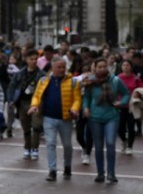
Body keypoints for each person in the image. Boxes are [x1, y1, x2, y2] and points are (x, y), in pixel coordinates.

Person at [28, 53, 81, 182]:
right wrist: (34, 106)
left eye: (64, 67)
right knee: (50, 143)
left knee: (67, 145)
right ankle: (52, 170)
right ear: (52, 68)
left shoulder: (73, 82)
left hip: (66, 119)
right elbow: (36, 95)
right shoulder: (43, 81)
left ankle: (67, 167)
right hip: (49, 118)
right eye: (59, 67)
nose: (62, 69)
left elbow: (77, 99)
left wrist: (74, 109)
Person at [81, 57, 129, 184]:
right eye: (99, 67)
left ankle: (111, 173)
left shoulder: (116, 80)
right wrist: (85, 107)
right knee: (98, 146)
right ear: (94, 68)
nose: (102, 69)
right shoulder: (89, 82)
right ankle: (100, 173)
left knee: (110, 143)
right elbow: (86, 97)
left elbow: (126, 94)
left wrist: (121, 102)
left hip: (111, 116)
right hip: (95, 117)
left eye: (104, 66)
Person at [8, 49, 44, 160]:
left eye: (35, 59)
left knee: (36, 125)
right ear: (26, 60)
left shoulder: (41, 75)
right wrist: (11, 100)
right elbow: (11, 87)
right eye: (31, 59)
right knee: (26, 126)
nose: (34, 61)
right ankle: (27, 147)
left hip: (37, 102)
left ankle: (35, 148)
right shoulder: (19, 74)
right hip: (22, 102)